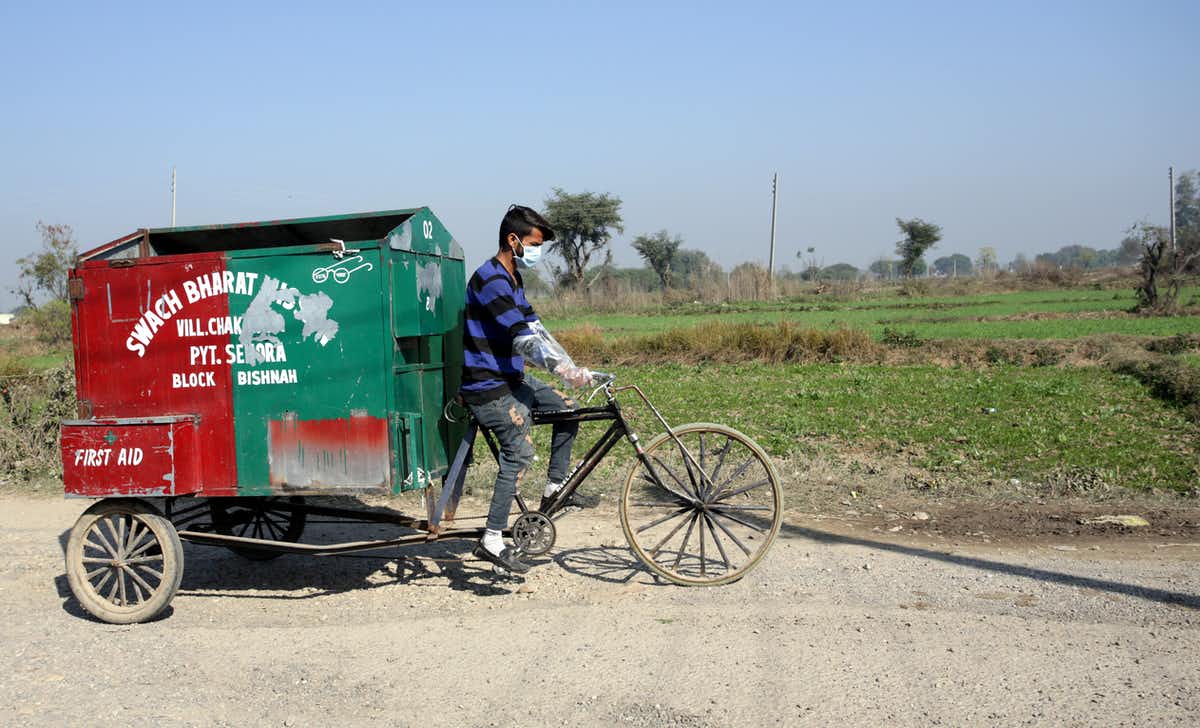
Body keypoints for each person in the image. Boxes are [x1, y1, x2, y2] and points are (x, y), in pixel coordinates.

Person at [461, 204, 594, 574]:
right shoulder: (491, 280)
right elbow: (522, 340)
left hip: (512, 378)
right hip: (487, 385)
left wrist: (570, 366)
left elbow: (536, 330)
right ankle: (491, 539)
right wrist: (563, 368)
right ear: (513, 240)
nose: (538, 251)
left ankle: (555, 487)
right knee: (518, 454)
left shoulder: (513, 276)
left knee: (570, 409)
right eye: (535, 243)